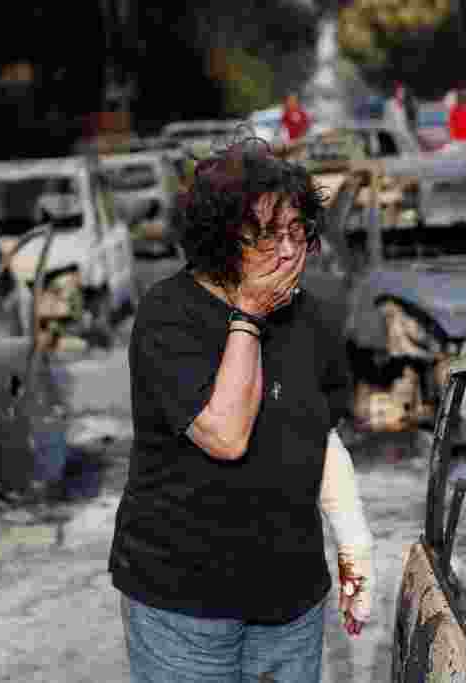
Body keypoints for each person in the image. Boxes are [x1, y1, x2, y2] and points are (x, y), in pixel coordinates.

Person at [110, 136, 374, 682]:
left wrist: (355, 549)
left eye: (297, 231)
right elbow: (225, 435)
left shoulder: (314, 318)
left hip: (289, 604)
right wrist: (248, 315)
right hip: (181, 603)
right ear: (220, 239)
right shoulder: (169, 316)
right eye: (266, 236)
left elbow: (320, 441)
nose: (287, 251)